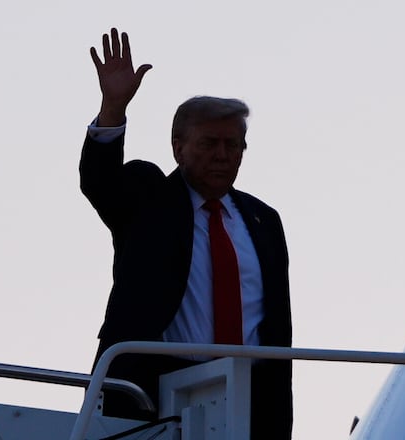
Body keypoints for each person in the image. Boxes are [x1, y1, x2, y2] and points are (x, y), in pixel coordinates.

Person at [79, 28, 293, 438]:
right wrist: (112, 108)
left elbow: (275, 333)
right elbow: (99, 181)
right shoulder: (148, 197)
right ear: (178, 146)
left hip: (250, 398)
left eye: (233, 146)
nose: (222, 155)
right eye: (210, 143)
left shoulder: (265, 221)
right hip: (151, 394)